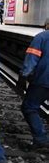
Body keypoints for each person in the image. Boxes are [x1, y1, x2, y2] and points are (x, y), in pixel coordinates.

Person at [18, 19, 49, 151]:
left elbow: (32, 59)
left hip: (43, 80)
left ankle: (41, 139)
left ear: (46, 25)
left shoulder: (41, 37)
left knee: (29, 107)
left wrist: (23, 76)